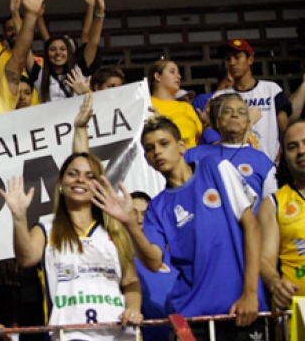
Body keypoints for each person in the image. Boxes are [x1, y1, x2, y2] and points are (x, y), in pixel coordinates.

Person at [91, 115, 268, 340]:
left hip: (243, 308)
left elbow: (252, 228)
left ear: (182, 146)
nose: (157, 152)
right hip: (194, 319)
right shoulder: (157, 207)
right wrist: (129, 224)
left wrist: (250, 292)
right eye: (149, 148)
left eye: (164, 143)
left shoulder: (216, 168)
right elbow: (154, 262)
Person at [1, 154, 142, 341]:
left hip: (119, 335)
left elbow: (130, 282)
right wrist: (19, 217)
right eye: (73, 174)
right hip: (69, 334)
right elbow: (27, 258)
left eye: (89, 176)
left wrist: (133, 309)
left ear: (98, 185)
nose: (80, 180)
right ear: (60, 182)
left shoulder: (114, 230)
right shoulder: (46, 228)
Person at [185, 93, 277, 205]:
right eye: (227, 111)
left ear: (249, 124)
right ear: (218, 122)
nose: (234, 115)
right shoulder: (193, 155)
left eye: (241, 112)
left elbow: (271, 209)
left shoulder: (263, 162)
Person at [213, 39, 291, 162]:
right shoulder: (220, 97)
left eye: (237, 57)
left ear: (250, 60)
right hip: (233, 165)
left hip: (270, 165)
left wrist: (279, 159)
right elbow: (215, 136)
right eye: (228, 59)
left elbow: (286, 131)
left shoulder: (271, 90)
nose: (232, 63)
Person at [258, 120, 305, 309]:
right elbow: (265, 259)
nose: (301, 151)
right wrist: (275, 284)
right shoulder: (273, 204)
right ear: (284, 155)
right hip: (298, 314)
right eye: (293, 147)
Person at [130, 191, 177, 341]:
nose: (139, 220)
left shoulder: (175, 255)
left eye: (144, 214)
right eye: (133, 213)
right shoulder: (120, 257)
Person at [147, 59, 202, 148]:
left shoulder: (186, 107)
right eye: (172, 72)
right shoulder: (147, 104)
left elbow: (200, 137)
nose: (179, 76)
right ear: (157, 76)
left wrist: (208, 123)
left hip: (191, 158)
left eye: (178, 73)